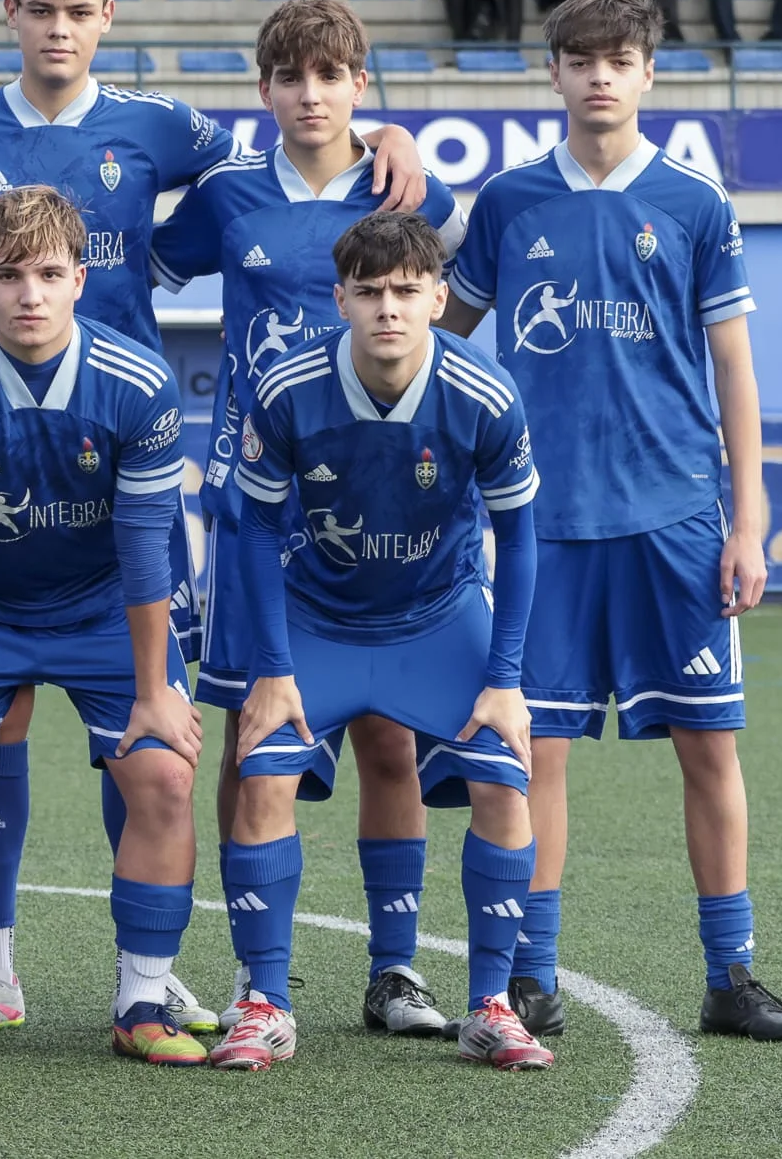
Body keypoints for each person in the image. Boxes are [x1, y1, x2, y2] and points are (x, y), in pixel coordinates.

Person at [0, 0, 427, 1031]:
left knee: (140, 740)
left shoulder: (155, 128)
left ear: (106, 18)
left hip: (119, 454)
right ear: (9, 14)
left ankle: (142, 976)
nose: (55, 28)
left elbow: (281, 154)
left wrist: (387, 133)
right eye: (35, 8)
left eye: (75, 9)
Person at [441, 0, 782, 1045]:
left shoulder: (695, 204)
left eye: (618, 58)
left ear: (648, 74)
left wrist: (746, 521)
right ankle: (533, 975)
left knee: (707, 746)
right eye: (579, 57)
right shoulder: (507, 205)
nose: (598, 75)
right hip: (540, 530)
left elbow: (732, 367)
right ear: (550, 73)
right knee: (535, 754)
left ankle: (729, 973)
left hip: (675, 521)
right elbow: (439, 334)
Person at [149, 0, 464, 1039]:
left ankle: (393, 971)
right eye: (291, 77)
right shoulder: (229, 195)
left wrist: (405, 143)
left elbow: (476, 265)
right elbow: (120, 279)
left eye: (330, 77)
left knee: (386, 736)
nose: (310, 94)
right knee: (250, 738)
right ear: (264, 90)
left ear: (356, 87)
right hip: (251, 510)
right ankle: (258, 984)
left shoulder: (399, 187)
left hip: (381, 509)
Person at [213, 210, 548, 1073]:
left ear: (440, 297)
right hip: (316, 617)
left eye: (406, 291)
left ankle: (490, 1005)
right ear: (340, 300)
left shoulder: (485, 392)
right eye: (368, 293)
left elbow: (522, 536)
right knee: (262, 767)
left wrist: (504, 678)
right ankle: (264, 1002)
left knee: (506, 773)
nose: (388, 310)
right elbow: (251, 527)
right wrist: (273, 670)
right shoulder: (288, 386)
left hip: (438, 617)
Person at [0, 185, 202, 1069]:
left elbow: (146, 552)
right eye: (11, 275)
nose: (30, 293)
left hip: (103, 609)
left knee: (166, 774)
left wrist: (152, 695)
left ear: (82, 277)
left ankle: (142, 996)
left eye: (50, 273)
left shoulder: (137, 382)